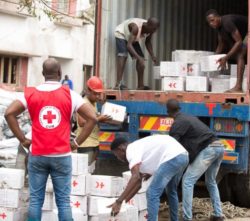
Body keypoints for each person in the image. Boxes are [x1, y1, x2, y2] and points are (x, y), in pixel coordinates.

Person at [4, 58, 97, 221]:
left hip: (37, 154)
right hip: (61, 155)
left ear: (42, 74)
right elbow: (92, 118)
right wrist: (76, 143)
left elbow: (9, 113)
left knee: (35, 201)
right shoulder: (71, 95)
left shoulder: (31, 93)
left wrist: (23, 139)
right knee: (63, 203)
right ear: (60, 73)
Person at [166, 99, 225, 221]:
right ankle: (218, 214)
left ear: (168, 111)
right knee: (211, 181)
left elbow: (172, 145)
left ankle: (187, 218)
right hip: (219, 146)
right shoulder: (188, 117)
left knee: (187, 181)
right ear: (179, 108)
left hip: (209, 149)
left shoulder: (178, 123)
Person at [108, 135, 188, 221]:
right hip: (183, 156)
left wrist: (119, 201)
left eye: (116, 155)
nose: (118, 158)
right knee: (171, 191)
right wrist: (123, 203)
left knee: (152, 193)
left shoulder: (131, 150)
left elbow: (135, 177)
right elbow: (138, 183)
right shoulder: (138, 151)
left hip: (173, 157)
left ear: (121, 148)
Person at [206, 9, 248, 93]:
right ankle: (238, 86)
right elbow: (221, 44)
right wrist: (213, 59)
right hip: (242, 35)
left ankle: (238, 87)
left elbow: (239, 41)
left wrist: (226, 57)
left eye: (212, 20)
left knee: (240, 54)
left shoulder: (227, 22)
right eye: (209, 22)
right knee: (236, 52)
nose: (211, 24)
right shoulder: (218, 27)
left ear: (218, 17)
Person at [75, 76, 111, 172]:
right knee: (83, 172)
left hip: (94, 143)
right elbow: (82, 122)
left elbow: (94, 118)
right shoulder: (83, 103)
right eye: (95, 94)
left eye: (99, 94)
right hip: (85, 143)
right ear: (88, 91)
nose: (98, 97)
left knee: (90, 171)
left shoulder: (93, 103)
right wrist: (99, 119)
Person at [114, 17, 159, 90]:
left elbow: (147, 42)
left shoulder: (150, 29)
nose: (154, 31)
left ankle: (140, 86)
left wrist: (152, 55)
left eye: (155, 29)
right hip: (121, 33)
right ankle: (118, 84)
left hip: (132, 37)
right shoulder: (136, 27)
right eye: (153, 29)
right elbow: (129, 45)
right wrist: (138, 58)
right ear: (148, 25)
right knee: (123, 55)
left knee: (141, 59)